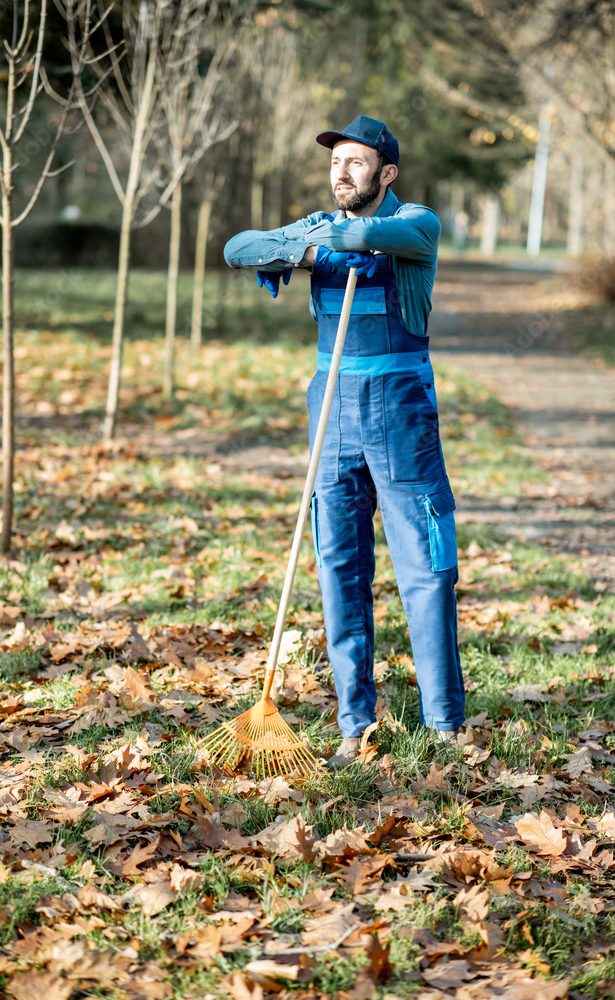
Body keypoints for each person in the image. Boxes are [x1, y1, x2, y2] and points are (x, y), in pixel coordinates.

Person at [224, 115, 465, 768]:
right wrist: (306, 250)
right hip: (329, 418)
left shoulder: (416, 224)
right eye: (335, 162)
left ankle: (444, 727)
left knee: (426, 569)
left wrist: (319, 239)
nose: (341, 172)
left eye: (356, 162)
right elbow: (240, 247)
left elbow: (370, 234)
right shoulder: (318, 230)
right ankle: (354, 724)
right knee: (338, 568)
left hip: (400, 413)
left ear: (385, 173)